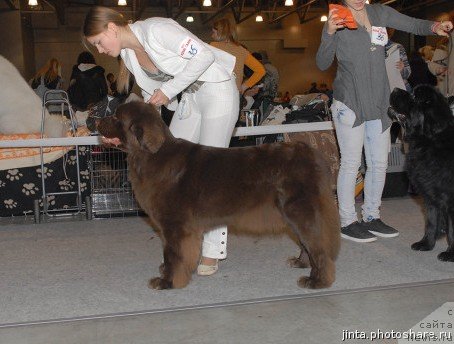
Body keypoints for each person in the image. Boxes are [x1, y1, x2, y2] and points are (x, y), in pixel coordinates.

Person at [83, 6, 239, 276]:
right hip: (189, 101)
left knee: (211, 175)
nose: (99, 50)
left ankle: (213, 252)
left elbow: (204, 55)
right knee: (167, 168)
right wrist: (121, 134)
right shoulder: (130, 58)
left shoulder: (157, 29)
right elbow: (149, 106)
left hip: (217, 91)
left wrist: (167, 90)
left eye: (98, 42)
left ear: (111, 28)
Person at [316, 0, 453, 243]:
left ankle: (372, 215)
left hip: (380, 102)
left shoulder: (379, 12)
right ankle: (347, 221)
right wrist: (329, 33)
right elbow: (322, 63)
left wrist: (434, 27)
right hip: (350, 102)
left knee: (379, 163)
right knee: (350, 163)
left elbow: (411, 23)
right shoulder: (336, 18)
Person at [210, 18, 265, 94]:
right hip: (235, 94)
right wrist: (244, 86)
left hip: (215, 93)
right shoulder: (241, 50)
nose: (212, 36)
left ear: (220, 32)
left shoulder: (212, 46)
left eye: (213, 32)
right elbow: (260, 70)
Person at [385, 28, 412, 93]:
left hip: (398, 91)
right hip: (383, 90)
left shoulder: (397, 47)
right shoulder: (373, 49)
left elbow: (408, 73)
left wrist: (402, 69)